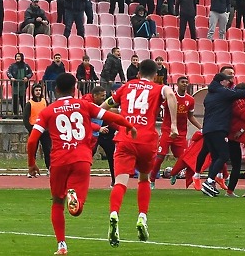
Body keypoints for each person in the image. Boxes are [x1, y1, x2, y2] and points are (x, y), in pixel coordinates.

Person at [27, 73, 136, 256]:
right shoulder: (85, 105)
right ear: (74, 88)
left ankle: (62, 245)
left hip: (59, 160)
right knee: (77, 210)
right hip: (82, 159)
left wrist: (31, 163)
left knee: (56, 202)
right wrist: (129, 126)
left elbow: (32, 141)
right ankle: (74, 196)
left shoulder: (48, 111)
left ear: (56, 90)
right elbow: (110, 116)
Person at [101, 59, 178, 247]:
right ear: (155, 75)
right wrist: (174, 124)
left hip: (126, 138)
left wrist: (91, 119)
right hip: (147, 141)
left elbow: (106, 105)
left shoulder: (126, 87)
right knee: (144, 179)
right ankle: (142, 216)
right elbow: (171, 96)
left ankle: (114, 214)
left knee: (120, 182)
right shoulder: (158, 88)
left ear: (138, 73)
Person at [199, 69, 245, 197]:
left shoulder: (209, 94)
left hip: (207, 129)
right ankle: (209, 181)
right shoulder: (222, 92)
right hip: (218, 129)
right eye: (227, 81)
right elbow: (239, 94)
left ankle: (209, 184)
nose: (229, 83)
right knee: (223, 155)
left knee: (216, 157)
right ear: (222, 81)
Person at [150, 75, 200, 187]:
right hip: (167, 131)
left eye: (186, 82)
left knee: (183, 158)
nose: (185, 84)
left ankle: (174, 173)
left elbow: (190, 116)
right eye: (182, 82)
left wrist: (200, 127)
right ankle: (152, 180)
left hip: (181, 134)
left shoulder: (190, 100)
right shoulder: (170, 97)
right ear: (177, 84)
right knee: (160, 156)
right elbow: (159, 110)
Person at [23, 83, 50, 176]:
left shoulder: (45, 101)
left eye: (39, 90)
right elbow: (25, 119)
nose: (38, 92)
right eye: (36, 90)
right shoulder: (29, 104)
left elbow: (49, 114)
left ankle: (49, 168)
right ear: (33, 92)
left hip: (45, 130)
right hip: (34, 129)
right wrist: (31, 129)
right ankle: (31, 169)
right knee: (33, 151)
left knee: (48, 150)